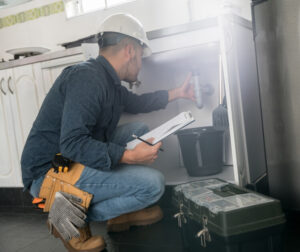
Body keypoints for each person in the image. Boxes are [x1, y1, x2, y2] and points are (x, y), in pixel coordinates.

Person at [21, 13, 195, 252]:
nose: (142, 63)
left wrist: (178, 93)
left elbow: (138, 103)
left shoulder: (107, 79)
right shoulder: (88, 78)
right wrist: (130, 156)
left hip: (68, 158)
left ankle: (119, 216)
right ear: (130, 50)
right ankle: (66, 218)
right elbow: (72, 144)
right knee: (153, 185)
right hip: (50, 170)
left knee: (139, 131)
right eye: (141, 56)